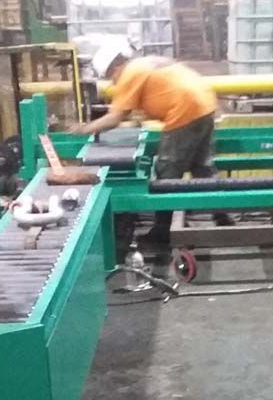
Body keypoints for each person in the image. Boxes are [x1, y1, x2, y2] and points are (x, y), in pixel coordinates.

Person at [71, 36, 223, 247]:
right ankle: (223, 217)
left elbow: (116, 117)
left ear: (116, 65)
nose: (113, 81)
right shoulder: (145, 64)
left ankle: (162, 231)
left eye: (110, 75)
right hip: (204, 105)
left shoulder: (130, 74)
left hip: (184, 111)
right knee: (202, 168)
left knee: (167, 171)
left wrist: (84, 129)